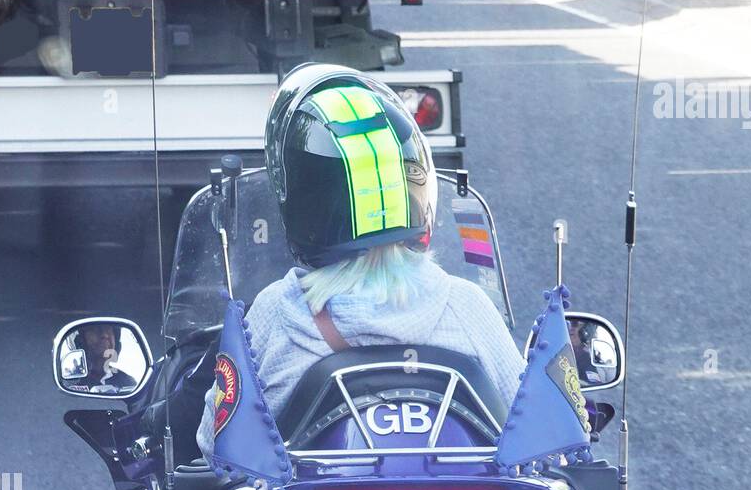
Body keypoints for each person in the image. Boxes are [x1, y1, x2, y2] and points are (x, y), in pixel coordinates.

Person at [197, 65, 523, 458]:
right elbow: (534, 429)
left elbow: (214, 444)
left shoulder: (278, 315)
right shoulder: (466, 308)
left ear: (302, 199)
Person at [74, 322, 137, 392]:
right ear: (81, 341)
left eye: (109, 330)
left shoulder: (127, 382)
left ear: (117, 345)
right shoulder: (71, 381)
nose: (105, 335)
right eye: (95, 329)